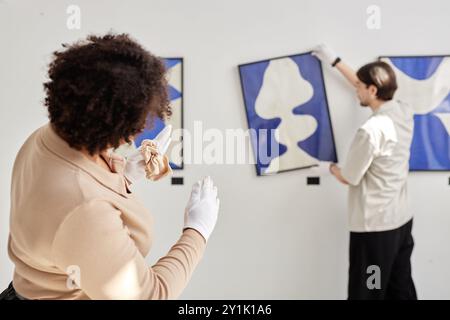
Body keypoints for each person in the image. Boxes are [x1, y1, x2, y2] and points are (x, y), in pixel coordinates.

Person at [2, 33, 220, 300]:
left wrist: (123, 177)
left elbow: (68, 197)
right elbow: (151, 296)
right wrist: (197, 231)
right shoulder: (83, 212)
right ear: (109, 125)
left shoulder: (44, 137)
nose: (132, 137)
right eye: (133, 129)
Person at [313, 44, 417, 300]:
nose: (355, 89)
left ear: (372, 90)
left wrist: (328, 168)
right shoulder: (404, 111)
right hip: (401, 221)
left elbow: (349, 177)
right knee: (400, 289)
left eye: (360, 86)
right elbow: (365, 85)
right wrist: (334, 61)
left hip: (375, 230)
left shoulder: (371, 131)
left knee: (368, 293)